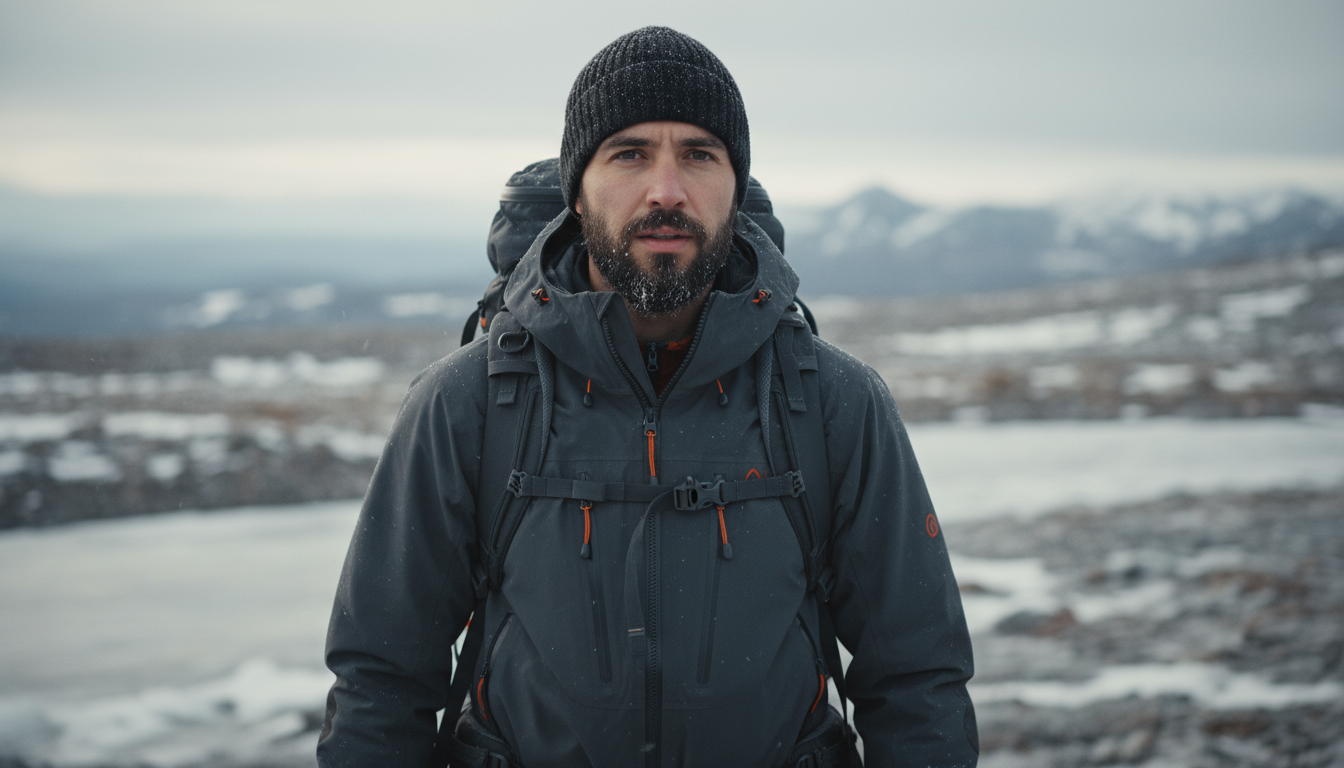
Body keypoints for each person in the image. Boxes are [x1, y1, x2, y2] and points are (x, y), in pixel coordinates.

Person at [318, 26, 977, 768]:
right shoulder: (463, 403)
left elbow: (918, 678)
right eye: (629, 153)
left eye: (700, 154)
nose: (667, 190)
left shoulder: (835, 401)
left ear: (736, 186)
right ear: (577, 190)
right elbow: (380, 682)